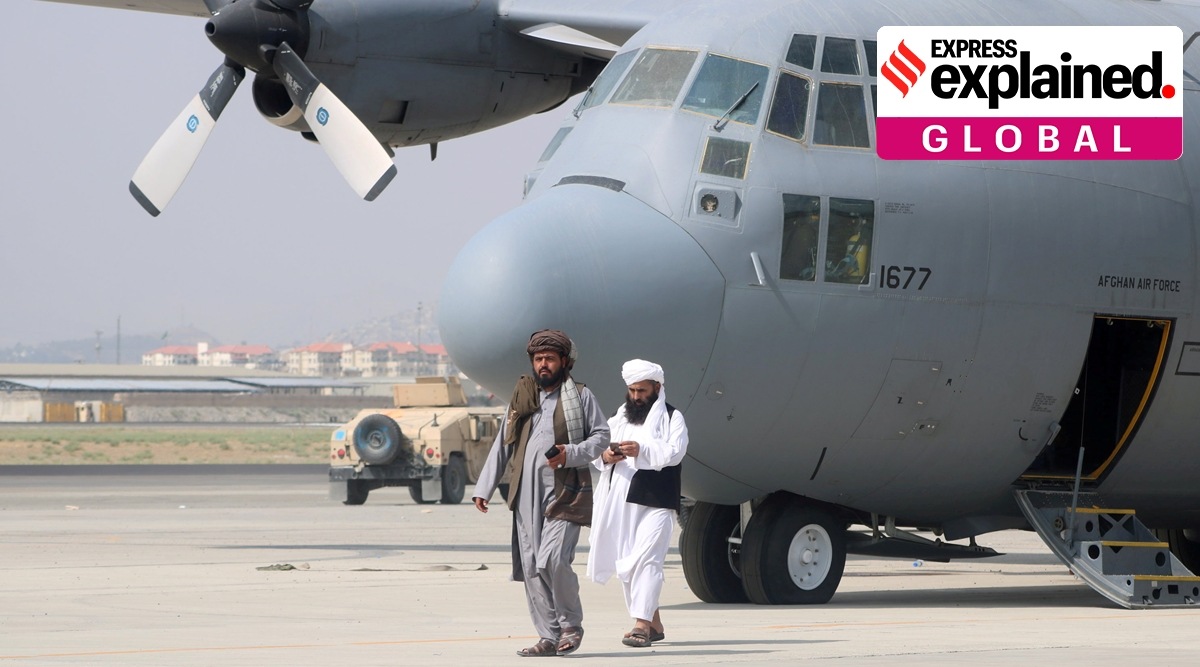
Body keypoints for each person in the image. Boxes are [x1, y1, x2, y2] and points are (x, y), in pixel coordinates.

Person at [472, 329, 610, 657]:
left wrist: (571, 453)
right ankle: (548, 636)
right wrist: (484, 487)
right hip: (526, 494)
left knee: (553, 559)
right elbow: (503, 443)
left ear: (564, 361)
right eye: (538, 359)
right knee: (533, 565)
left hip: (567, 491)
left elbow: (601, 436)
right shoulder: (523, 396)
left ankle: (571, 625)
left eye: (549, 358)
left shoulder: (580, 396)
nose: (543, 364)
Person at [587, 359, 688, 648]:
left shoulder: (672, 418)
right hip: (620, 501)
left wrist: (642, 450)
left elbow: (675, 452)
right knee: (629, 563)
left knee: (647, 559)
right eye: (632, 390)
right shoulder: (619, 417)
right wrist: (607, 456)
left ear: (657, 387)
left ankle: (641, 625)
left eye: (641, 390)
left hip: (656, 500)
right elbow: (598, 450)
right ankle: (654, 623)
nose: (636, 396)